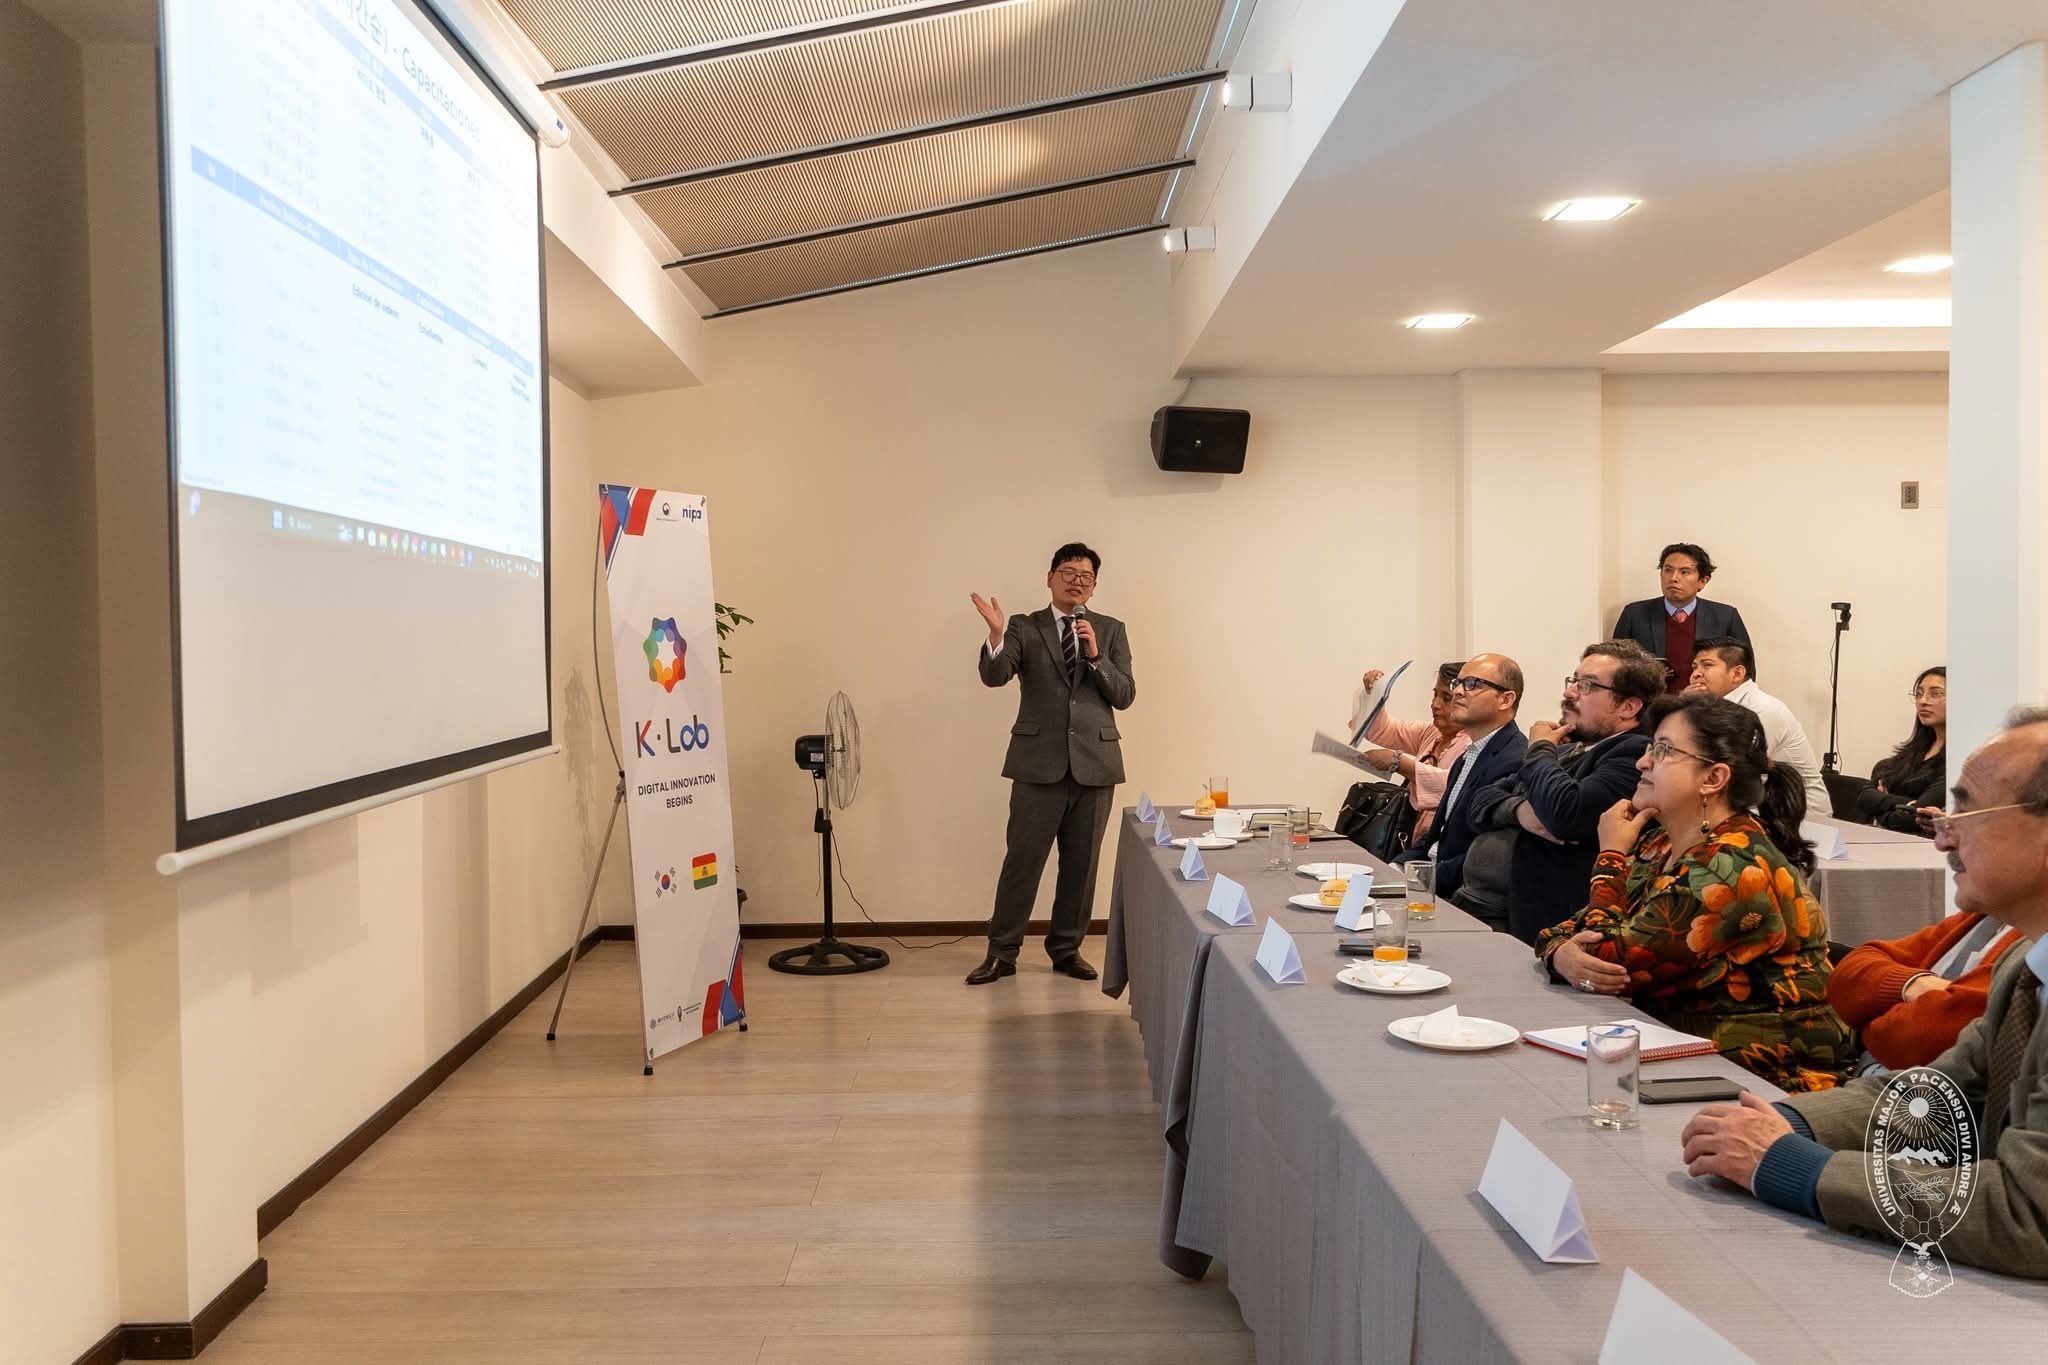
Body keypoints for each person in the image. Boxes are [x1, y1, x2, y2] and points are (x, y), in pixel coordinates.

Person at [1682, 708, 2048, 1280]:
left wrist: (1796, 1166)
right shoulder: (2025, 962)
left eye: (1967, 812)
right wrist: (1781, 1122)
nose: (1943, 837)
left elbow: (2029, 1216)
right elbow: (1940, 1098)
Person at [1534, 694, 1852, 1092]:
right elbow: (1574, 929)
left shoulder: (1732, 865)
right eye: (1650, 747)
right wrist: (1560, 952)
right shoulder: (1661, 843)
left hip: (1761, 1083)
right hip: (1684, 1059)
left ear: (1713, 779)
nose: (1642, 762)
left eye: (1664, 751)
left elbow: (1612, 964)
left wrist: (1611, 856)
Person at [965, 543, 1135, 986]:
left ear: (1094, 586)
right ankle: (1002, 953)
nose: (1077, 581)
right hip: (1037, 764)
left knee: (1082, 867)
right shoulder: (1025, 626)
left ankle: (1066, 950)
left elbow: (1124, 695)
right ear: (1050, 577)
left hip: (1095, 766)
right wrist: (996, 636)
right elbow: (995, 676)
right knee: (1022, 864)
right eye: (1068, 572)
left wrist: (1095, 656)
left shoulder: (1110, 630)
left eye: (1086, 576)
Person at [1460, 641, 1663, 941]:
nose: (1569, 693)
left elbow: (1566, 813)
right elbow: (1478, 800)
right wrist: (1519, 810)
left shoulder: (1632, 754)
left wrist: (1540, 747)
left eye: (1587, 685)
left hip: (1543, 926)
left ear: (1628, 707)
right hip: (1488, 903)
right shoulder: (1568, 748)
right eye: (1573, 681)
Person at [1396, 653, 1527, 905]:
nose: (1457, 691)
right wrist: (1396, 867)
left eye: (1472, 684)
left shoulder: (1514, 758)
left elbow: (1482, 855)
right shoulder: (1468, 755)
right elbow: (1437, 837)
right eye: (1458, 683)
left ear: (1505, 699)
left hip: (1461, 896)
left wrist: (1417, 879)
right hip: (1431, 883)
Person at [1829, 912, 2025, 1074]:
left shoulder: (2030, 943)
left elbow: (1925, 1039)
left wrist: (1866, 1021)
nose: (1955, 876)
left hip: (1934, 1099)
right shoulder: (1981, 918)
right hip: (1880, 1078)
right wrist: (1916, 984)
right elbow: (1846, 973)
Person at [1685, 636, 1831, 817]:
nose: (1696, 674)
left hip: (1801, 816)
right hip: (1755, 805)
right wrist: (1685, 709)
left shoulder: (1762, 710)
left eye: (1707, 665)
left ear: (1737, 674)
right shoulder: (1713, 707)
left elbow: (1736, 775)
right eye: (1694, 667)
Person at [1610, 543, 1754, 693]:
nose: (1674, 578)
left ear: (1703, 581)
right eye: (1668, 570)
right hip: (1651, 704)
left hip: (1708, 704)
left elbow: (1746, 672)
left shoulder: (1725, 617)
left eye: (1684, 572)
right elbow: (1615, 667)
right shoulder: (1635, 614)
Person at [1354, 662, 1470, 842]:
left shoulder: (1474, 742)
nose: (1435, 704)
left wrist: (1398, 762)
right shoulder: (1432, 732)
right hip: (1409, 836)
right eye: (1435, 694)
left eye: (1446, 698)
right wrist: (1375, 693)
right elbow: (1383, 731)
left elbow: (1452, 784)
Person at [1844, 666, 1946, 834]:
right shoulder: (1913, 753)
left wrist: (1881, 804)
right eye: (1919, 694)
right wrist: (1906, 803)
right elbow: (1863, 797)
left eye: (1935, 694)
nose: (1923, 701)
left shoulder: (1958, 763)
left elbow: (1911, 819)